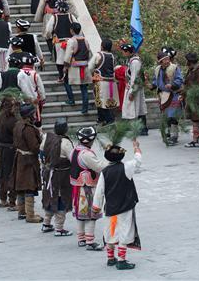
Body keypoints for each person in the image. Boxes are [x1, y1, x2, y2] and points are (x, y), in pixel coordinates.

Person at [92, 139, 142, 271]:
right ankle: (121, 260)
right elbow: (138, 160)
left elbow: (99, 192)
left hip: (110, 208)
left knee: (110, 231)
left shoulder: (104, 172)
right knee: (124, 232)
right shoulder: (126, 167)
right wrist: (136, 147)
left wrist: (96, 207)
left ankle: (110, 258)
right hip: (125, 207)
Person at [70, 126, 106, 250]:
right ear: (91, 140)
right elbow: (99, 167)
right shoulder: (86, 154)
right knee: (91, 214)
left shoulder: (74, 150)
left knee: (80, 214)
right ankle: (90, 242)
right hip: (87, 188)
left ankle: (81, 239)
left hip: (77, 187)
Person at [41, 118, 73, 237]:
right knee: (61, 199)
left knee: (50, 197)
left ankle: (46, 224)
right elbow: (72, 158)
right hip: (62, 176)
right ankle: (59, 228)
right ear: (66, 129)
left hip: (49, 173)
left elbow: (41, 151)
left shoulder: (46, 138)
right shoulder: (65, 143)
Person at [11, 103, 43, 222]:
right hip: (28, 160)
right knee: (29, 186)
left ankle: (22, 212)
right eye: (33, 114)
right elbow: (34, 147)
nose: (35, 116)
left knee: (21, 186)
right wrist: (41, 141)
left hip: (20, 158)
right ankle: (30, 215)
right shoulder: (28, 129)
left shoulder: (18, 125)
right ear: (29, 116)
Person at [152, 48, 184, 146]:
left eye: (167, 59)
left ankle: (174, 136)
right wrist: (151, 86)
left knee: (173, 116)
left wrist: (172, 84)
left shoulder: (174, 68)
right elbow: (155, 81)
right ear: (160, 62)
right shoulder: (157, 69)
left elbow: (179, 80)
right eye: (164, 60)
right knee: (167, 116)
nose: (166, 61)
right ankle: (169, 133)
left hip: (174, 94)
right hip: (163, 95)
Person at [181, 53, 199, 150]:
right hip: (192, 100)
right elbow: (186, 83)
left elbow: (198, 86)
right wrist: (183, 94)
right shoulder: (191, 70)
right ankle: (195, 140)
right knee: (195, 120)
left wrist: (186, 92)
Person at [0, 96, 18, 209]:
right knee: (12, 174)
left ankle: (3, 199)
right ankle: (12, 201)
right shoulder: (12, 121)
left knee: (3, 174)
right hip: (11, 150)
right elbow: (17, 137)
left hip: (1, 149)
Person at [89, 38, 119, 125]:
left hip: (100, 82)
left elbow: (90, 67)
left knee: (100, 101)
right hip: (111, 83)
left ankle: (106, 119)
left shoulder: (98, 55)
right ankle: (104, 119)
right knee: (108, 102)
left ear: (102, 46)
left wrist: (92, 75)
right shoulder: (112, 56)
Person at [46, 2, 78, 82]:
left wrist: (49, 36)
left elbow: (48, 29)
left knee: (59, 60)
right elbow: (77, 26)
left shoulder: (54, 17)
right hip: (70, 41)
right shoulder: (71, 16)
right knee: (70, 58)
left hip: (59, 42)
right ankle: (69, 75)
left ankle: (61, 76)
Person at [63, 23, 91, 114]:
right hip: (85, 66)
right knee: (84, 89)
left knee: (66, 82)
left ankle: (71, 100)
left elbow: (68, 55)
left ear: (71, 30)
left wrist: (65, 66)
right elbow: (89, 53)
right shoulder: (85, 40)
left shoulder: (71, 41)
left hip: (74, 67)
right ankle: (85, 108)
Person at [120, 44, 148, 134]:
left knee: (135, 108)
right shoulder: (132, 60)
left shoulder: (135, 62)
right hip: (135, 87)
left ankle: (141, 128)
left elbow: (134, 77)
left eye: (123, 51)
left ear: (128, 52)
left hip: (135, 88)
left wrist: (132, 91)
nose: (122, 53)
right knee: (139, 108)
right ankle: (141, 128)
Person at [17, 52, 46, 125]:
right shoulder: (35, 74)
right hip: (34, 100)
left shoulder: (19, 73)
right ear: (33, 64)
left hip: (23, 99)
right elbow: (40, 88)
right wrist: (43, 98)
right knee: (36, 119)